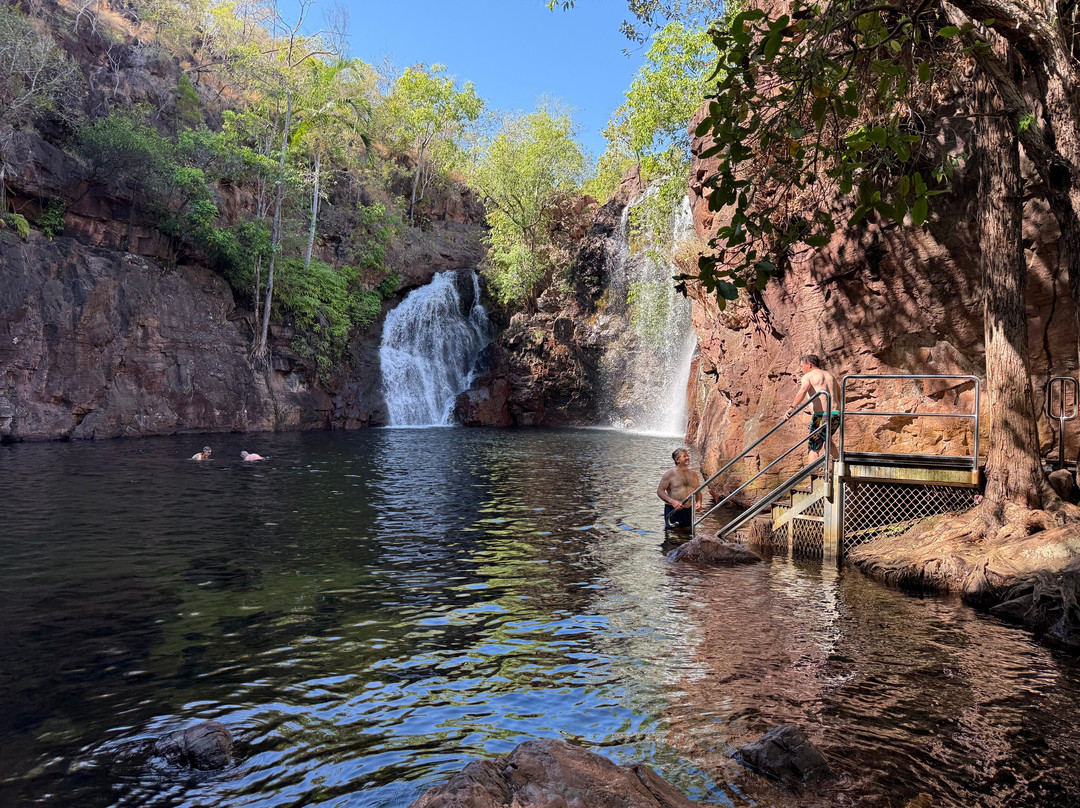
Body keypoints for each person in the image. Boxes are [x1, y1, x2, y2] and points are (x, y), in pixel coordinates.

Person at [786, 354, 841, 463]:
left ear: (809, 365)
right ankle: (840, 463)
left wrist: (792, 408)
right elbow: (839, 395)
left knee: (813, 447)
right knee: (827, 441)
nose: (801, 369)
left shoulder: (809, 376)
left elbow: (802, 391)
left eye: (802, 366)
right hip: (836, 414)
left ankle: (814, 475)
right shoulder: (829, 376)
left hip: (821, 416)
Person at [657, 448, 703, 528]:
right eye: (684, 456)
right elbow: (660, 491)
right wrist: (672, 502)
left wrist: (699, 502)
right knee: (673, 537)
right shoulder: (670, 474)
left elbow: (698, 492)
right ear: (677, 460)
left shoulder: (693, 474)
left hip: (689, 510)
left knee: (688, 535)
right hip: (673, 509)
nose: (687, 458)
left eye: (687, 456)